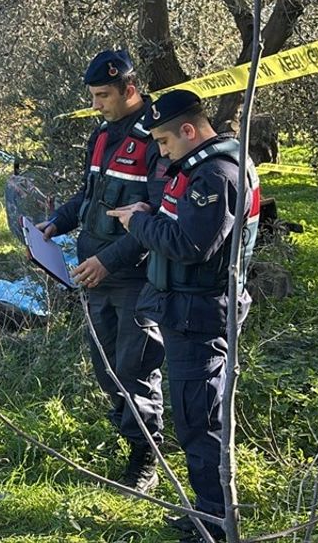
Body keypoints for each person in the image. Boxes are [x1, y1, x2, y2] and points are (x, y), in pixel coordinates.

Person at [107, 89, 261, 543]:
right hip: (185, 310)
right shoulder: (201, 168)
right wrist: (148, 213)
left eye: (165, 141)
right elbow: (182, 226)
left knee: (200, 419)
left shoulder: (216, 176)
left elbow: (191, 246)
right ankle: (207, 511)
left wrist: (137, 223)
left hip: (199, 314)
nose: (160, 150)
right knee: (196, 415)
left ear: (188, 131)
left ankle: (213, 524)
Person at [34, 50, 167, 493]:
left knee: (136, 368)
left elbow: (160, 218)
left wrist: (109, 260)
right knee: (105, 368)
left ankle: (146, 456)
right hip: (94, 276)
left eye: (103, 96)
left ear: (130, 89)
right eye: (92, 96)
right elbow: (88, 196)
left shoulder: (157, 137)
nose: (96, 104)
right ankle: (129, 434)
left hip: (135, 278)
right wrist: (57, 223)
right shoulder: (101, 135)